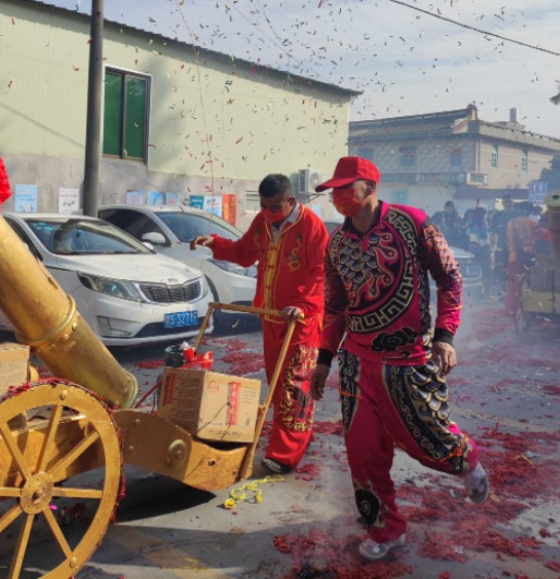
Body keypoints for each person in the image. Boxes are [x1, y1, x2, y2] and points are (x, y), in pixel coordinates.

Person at [310, 156, 488, 562]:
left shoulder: (413, 224)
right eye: (333, 190)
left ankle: (467, 462)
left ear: (370, 187)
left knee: (428, 441)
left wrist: (444, 336)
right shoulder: (336, 243)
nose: (337, 197)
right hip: (356, 364)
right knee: (363, 452)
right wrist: (324, 359)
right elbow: (335, 309)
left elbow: (449, 278)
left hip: (407, 360)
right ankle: (386, 529)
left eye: (345, 188)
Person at [190, 174, 329, 473]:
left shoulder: (312, 227)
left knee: (295, 386)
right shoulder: (263, 223)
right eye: (264, 207)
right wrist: (214, 243)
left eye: (275, 207)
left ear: (291, 202)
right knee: (278, 385)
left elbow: (321, 274)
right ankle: (298, 435)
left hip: (300, 322)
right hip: (271, 316)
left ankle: (284, 455)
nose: (269, 213)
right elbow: (243, 253)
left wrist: (303, 306)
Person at [504, 202, 541, 316]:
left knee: (514, 284)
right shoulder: (532, 223)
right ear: (529, 211)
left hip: (513, 257)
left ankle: (510, 308)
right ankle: (531, 308)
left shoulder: (510, 223)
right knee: (533, 284)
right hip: (530, 258)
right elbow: (543, 237)